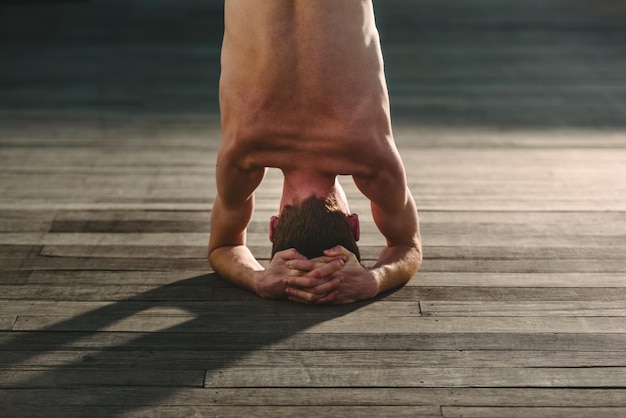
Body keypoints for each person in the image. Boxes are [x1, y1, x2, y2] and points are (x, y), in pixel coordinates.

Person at [208, 0, 422, 304]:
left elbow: (408, 247)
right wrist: (257, 278)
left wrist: (375, 279)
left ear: (353, 224)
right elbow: (221, 248)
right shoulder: (242, 153)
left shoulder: (372, 156)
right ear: (273, 226)